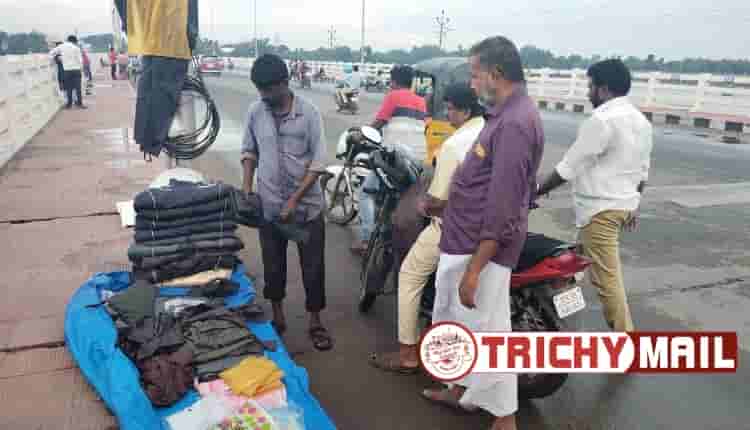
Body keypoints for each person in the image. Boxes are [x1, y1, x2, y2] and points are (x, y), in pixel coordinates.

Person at [421, 36, 544, 430]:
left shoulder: (515, 123)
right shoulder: (504, 115)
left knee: (487, 333)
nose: (472, 85)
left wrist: (475, 269)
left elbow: (505, 204)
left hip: (480, 249)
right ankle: (459, 389)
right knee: (459, 325)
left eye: (475, 75)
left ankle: (504, 418)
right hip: (463, 239)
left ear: (496, 73)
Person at [369, 83, 485, 373]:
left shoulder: (455, 144)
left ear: (465, 111)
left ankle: (408, 354)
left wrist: (424, 206)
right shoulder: (490, 131)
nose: (447, 114)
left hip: (453, 227)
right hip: (488, 227)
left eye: (450, 109)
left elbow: (438, 200)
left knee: (409, 275)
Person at [537, 59, 653, 332]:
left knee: (608, 283)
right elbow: (643, 171)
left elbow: (570, 166)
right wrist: (633, 205)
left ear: (604, 89)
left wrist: (537, 191)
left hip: (599, 213)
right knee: (568, 267)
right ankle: (555, 320)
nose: (588, 93)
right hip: (619, 208)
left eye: (590, 87)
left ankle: (627, 341)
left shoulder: (601, 120)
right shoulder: (641, 121)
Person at [241, 54, 333, 351]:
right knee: (273, 265)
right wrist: (247, 189)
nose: (264, 96)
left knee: (313, 268)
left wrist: (294, 200)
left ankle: (315, 321)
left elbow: (318, 162)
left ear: (285, 82)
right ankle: (278, 317)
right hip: (269, 207)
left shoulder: (309, 113)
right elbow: (249, 151)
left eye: (269, 89)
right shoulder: (256, 111)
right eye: (260, 90)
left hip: (306, 210)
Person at [351, 64, 427, 255]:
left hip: (396, 158)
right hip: (417, 161)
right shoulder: (421, 101)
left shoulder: (393, 96)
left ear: (393, 81)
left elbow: (379, 122)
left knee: (366, 193)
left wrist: (361, 135)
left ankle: (366, 239)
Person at [51, 35, 86, 109]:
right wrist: (81, 68)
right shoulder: (76, 48)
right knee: (78, 88)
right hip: (76, 70)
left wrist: (60, 58)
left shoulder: (61, 46)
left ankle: (69, 104)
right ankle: (80, 103)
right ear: (74, 41)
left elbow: (52, 53)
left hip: (67, 70)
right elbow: (80, 60)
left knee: (68, 88)